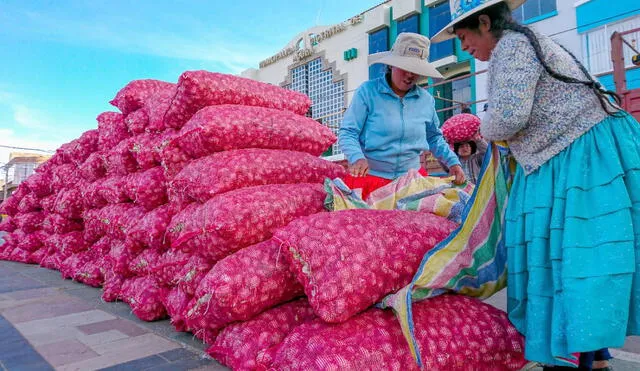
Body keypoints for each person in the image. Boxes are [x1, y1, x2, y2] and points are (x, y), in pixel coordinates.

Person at [433, 0, 640, 370]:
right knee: (572, 257)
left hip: (579, 154)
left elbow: (508, 118)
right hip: (569, 152)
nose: (464, 48)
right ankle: (592, 355)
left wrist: (485, 125)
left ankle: (579, 354)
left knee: (575, 256)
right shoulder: (525, 43)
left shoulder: (511, 46)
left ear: (485, 22)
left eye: (464, 37)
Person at [339, 32, 465, 200]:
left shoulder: (426, 100)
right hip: (370, 179)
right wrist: (357, 158)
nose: (410, 75)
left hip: (411, 182)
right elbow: (348, 132)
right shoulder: (368, 92)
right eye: (405, 68)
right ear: (391, 65)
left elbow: (434, 137)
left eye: (415, 70)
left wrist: (452, 162)